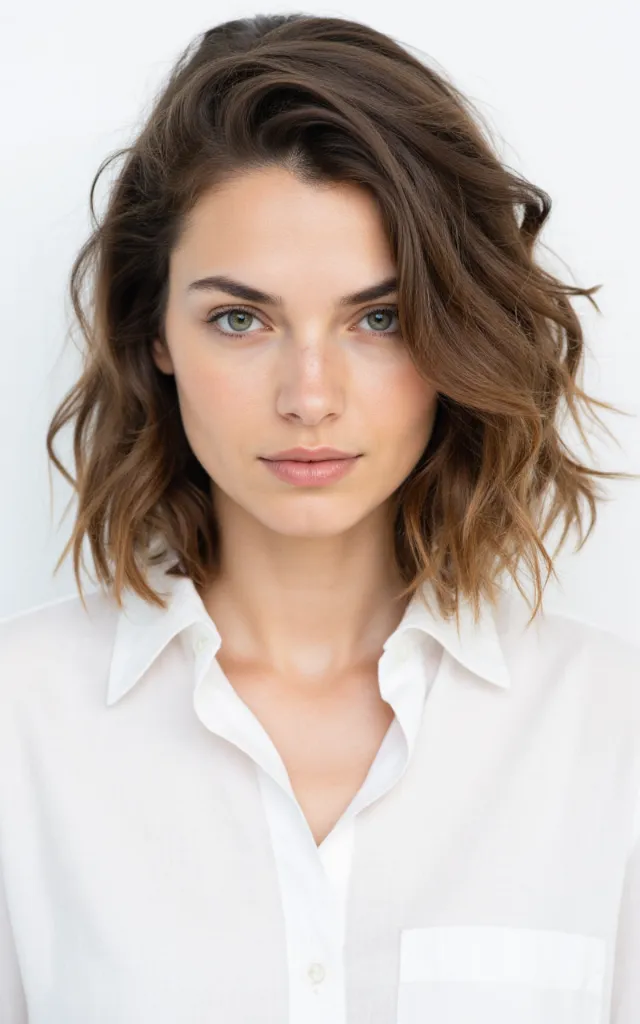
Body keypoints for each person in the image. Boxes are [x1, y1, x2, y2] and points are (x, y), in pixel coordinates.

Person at [1, 12, 638, 1024]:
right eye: (239, 319)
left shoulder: (609, 729)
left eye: (377, 318)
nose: (309, 395)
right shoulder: (20, 728)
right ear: (152, 332)